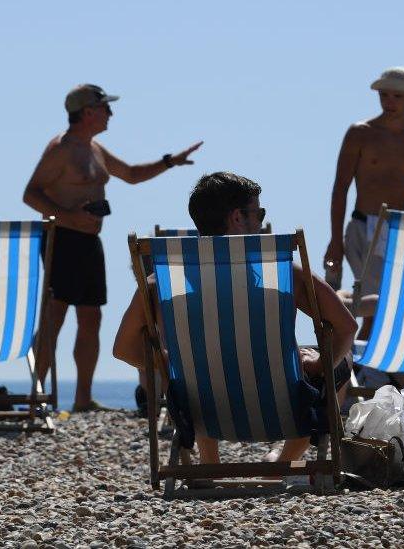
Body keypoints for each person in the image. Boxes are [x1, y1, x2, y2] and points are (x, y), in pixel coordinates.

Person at [113, 172, 358, 466]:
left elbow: (123, 350)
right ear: (237, 218)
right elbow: (346, 328)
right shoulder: (283, 275)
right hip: (281, 410)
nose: (261, 221)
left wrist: (172, 364)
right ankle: (283, 462)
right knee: (341, 362)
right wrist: (316, 364)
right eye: (259, 213)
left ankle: (209, 463)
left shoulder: (160, 284)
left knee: (201, 364)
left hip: (201, 411)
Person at [22, 84, 203, 412]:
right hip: (62, 239)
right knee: (55, 317)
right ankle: (37, 396)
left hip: (90, 242)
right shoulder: (60, 149)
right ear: (88, 111)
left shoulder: (95, 148)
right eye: (105, 108)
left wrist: (169, 162)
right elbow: (31, 193)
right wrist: (69, 216)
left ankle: (82, 398)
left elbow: (131, 174)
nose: (111, 114)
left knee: (91, 318)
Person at [324, 66, 404, 339]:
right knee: (378, 304)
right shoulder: (361, 133)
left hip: (397, 230)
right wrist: (335, 240)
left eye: (397, 96)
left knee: (384, 306)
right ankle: (359, 360)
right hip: (363, 225)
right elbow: (340, 188)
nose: (390, 101)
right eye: (384, 94)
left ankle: (360, 362)